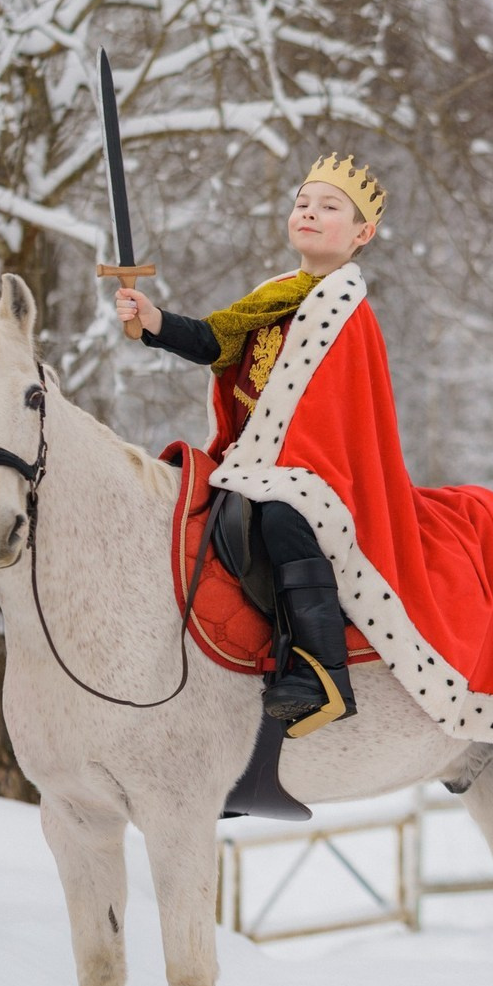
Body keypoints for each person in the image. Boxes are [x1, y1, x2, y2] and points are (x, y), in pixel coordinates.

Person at [115, 153, 387, 731]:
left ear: (362, 234)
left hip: (318, 467)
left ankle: (322, 672)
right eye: (302, 202)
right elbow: (220, 341)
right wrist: (155, 319)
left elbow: (335, 414)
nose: (309, 213)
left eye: (329, 207)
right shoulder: (277, 293)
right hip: (258, 458)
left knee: (283, 517)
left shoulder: (345, 308)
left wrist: (275, 467)